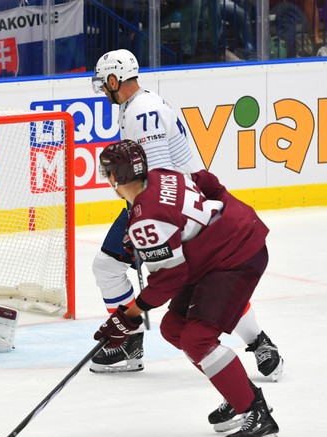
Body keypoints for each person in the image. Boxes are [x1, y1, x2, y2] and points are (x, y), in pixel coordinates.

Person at [89, 49, 283, 382]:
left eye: (102, 84)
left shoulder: (141, 111)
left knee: (201, 281)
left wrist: (141, 220)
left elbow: (159, 172)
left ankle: (256, 340)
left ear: (112, 80)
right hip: (177, 200)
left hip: (174, 205)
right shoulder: (140, 104)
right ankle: (131, 342)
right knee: (119, 266)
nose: (102, 90)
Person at [93, 139, 284, 437]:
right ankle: (239, 393)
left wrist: (128, 315)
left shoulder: (145, 218)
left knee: (197, 338)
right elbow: (208, 182)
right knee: (174, 329)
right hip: (221, 250)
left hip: (236, 255)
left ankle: (259, 419)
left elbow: (170, 278)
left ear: (114, 178)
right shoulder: (164, 175)